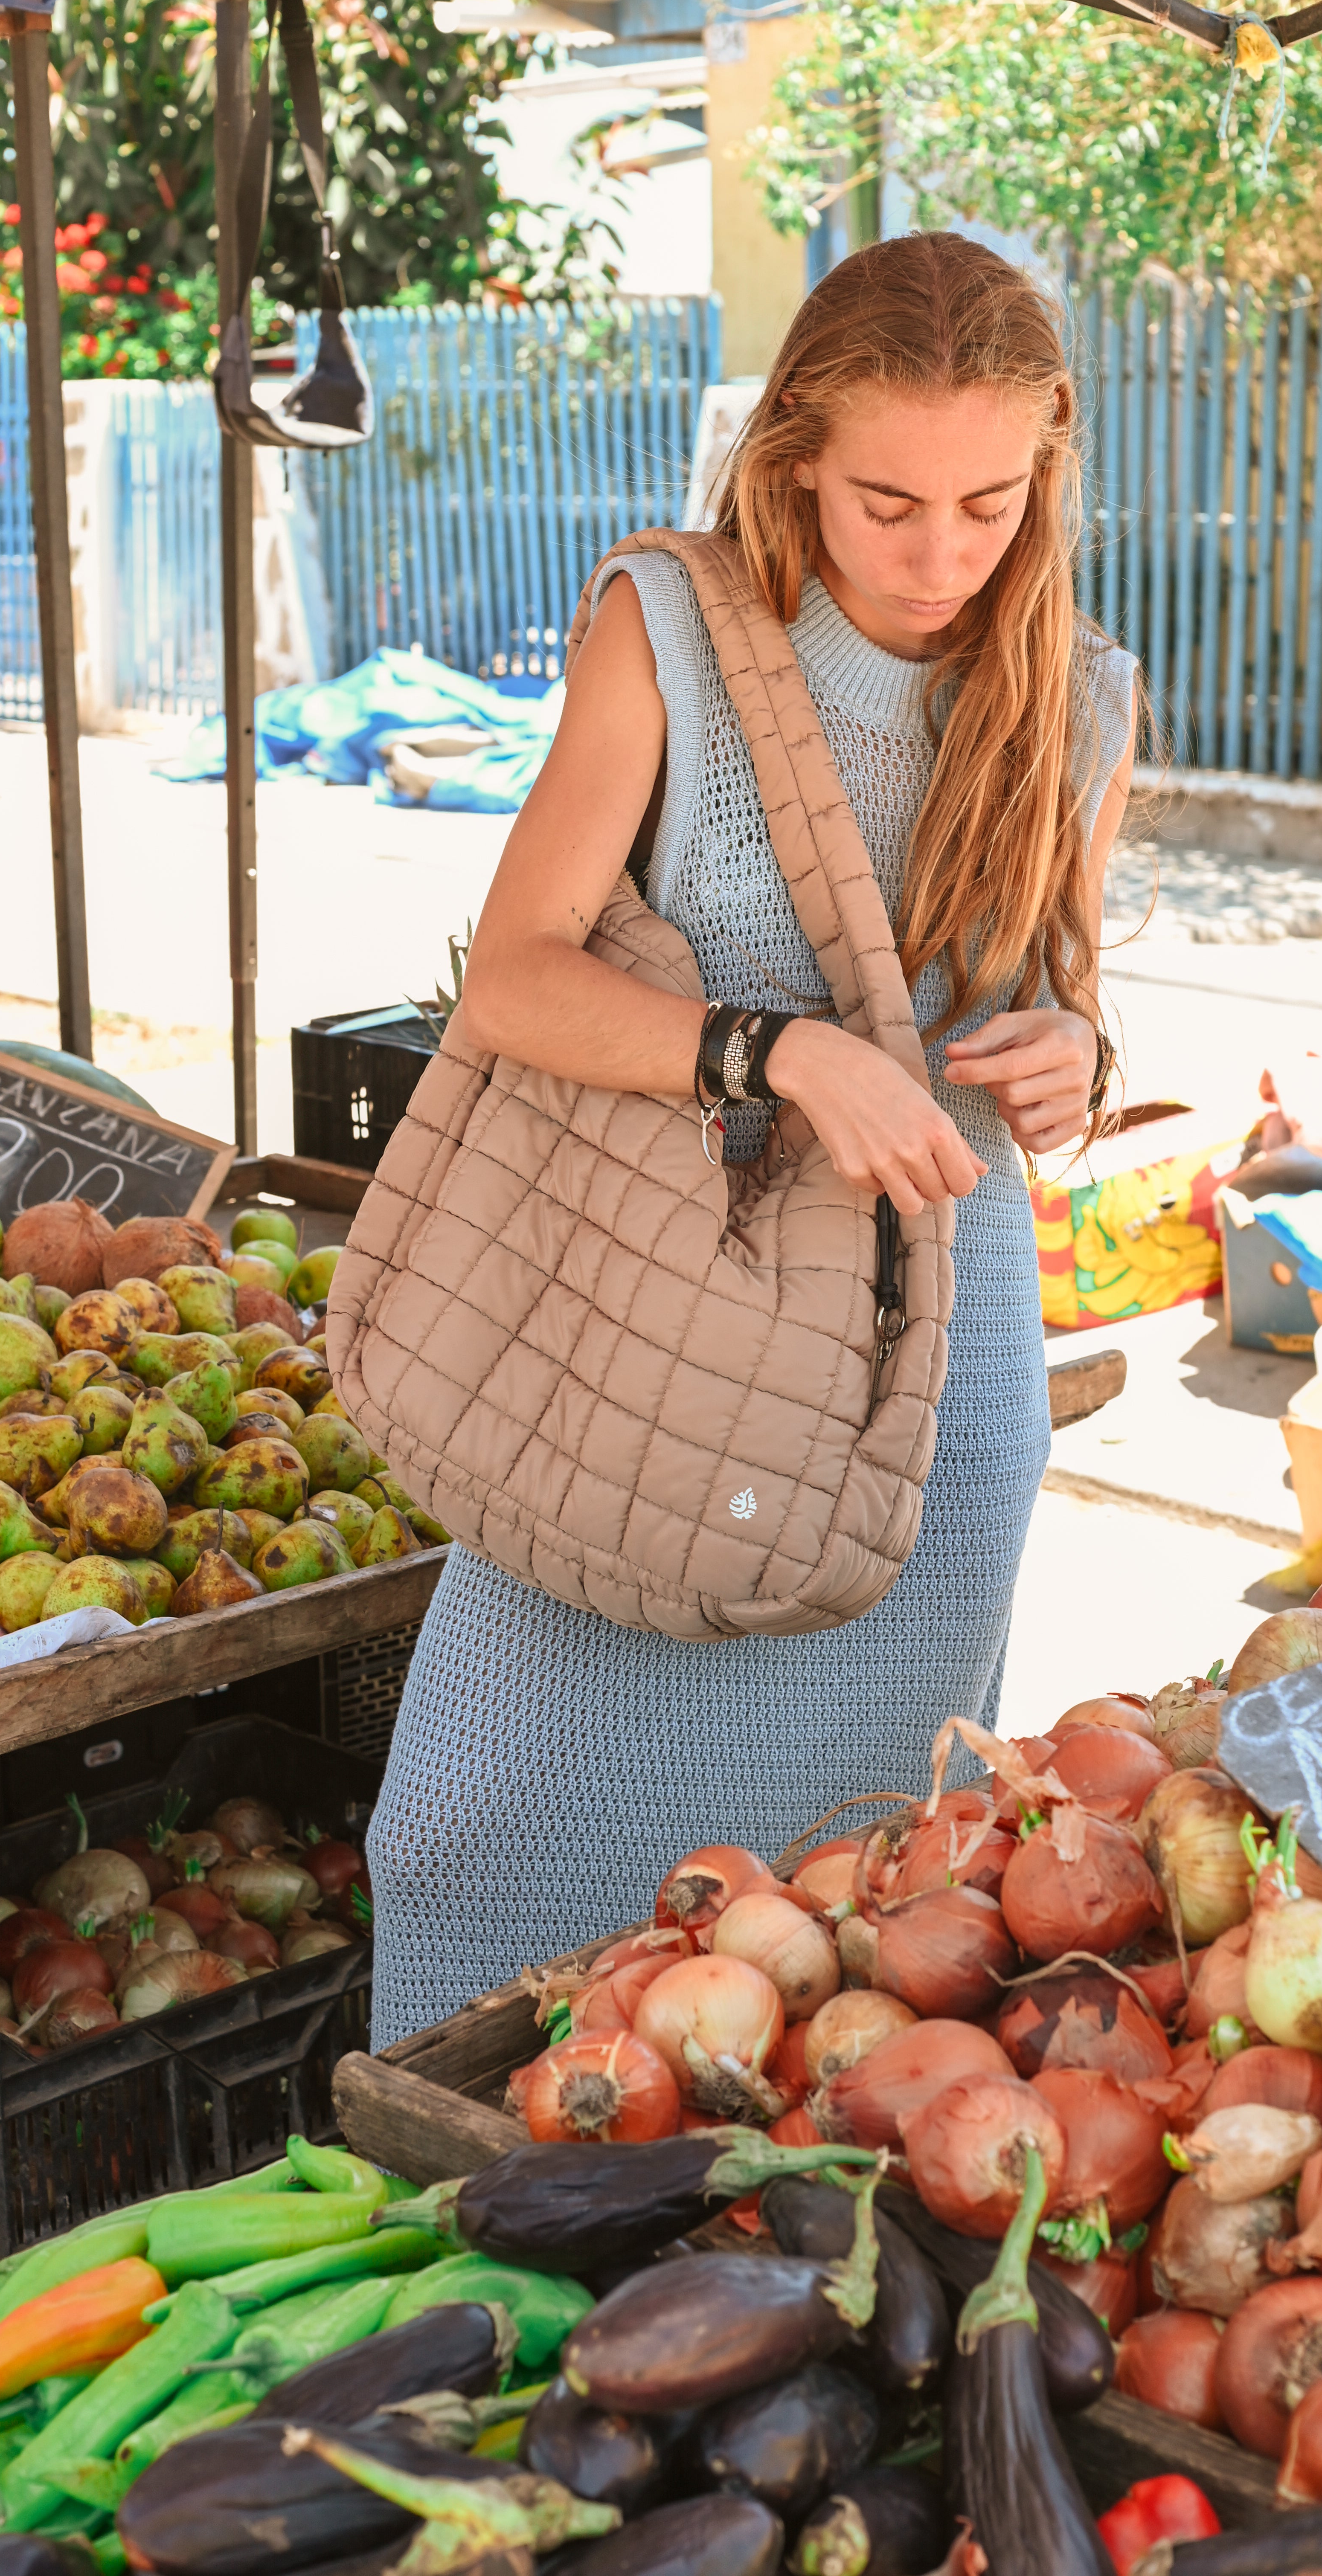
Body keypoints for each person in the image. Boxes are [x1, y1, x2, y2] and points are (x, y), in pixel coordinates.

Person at [363, 230, 1137, 2047]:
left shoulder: (1080, 700)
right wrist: (774, 1053)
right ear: (794, 450)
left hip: (922, 1381)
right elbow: (517, 984)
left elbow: (1074, 1005)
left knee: (841, 1913)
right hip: (651, 1343)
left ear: (1047, 470)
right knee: (464, 1842)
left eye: (988, 505)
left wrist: (1072, 1061)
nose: (941, 557)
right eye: (884, 503)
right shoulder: (673, 635)